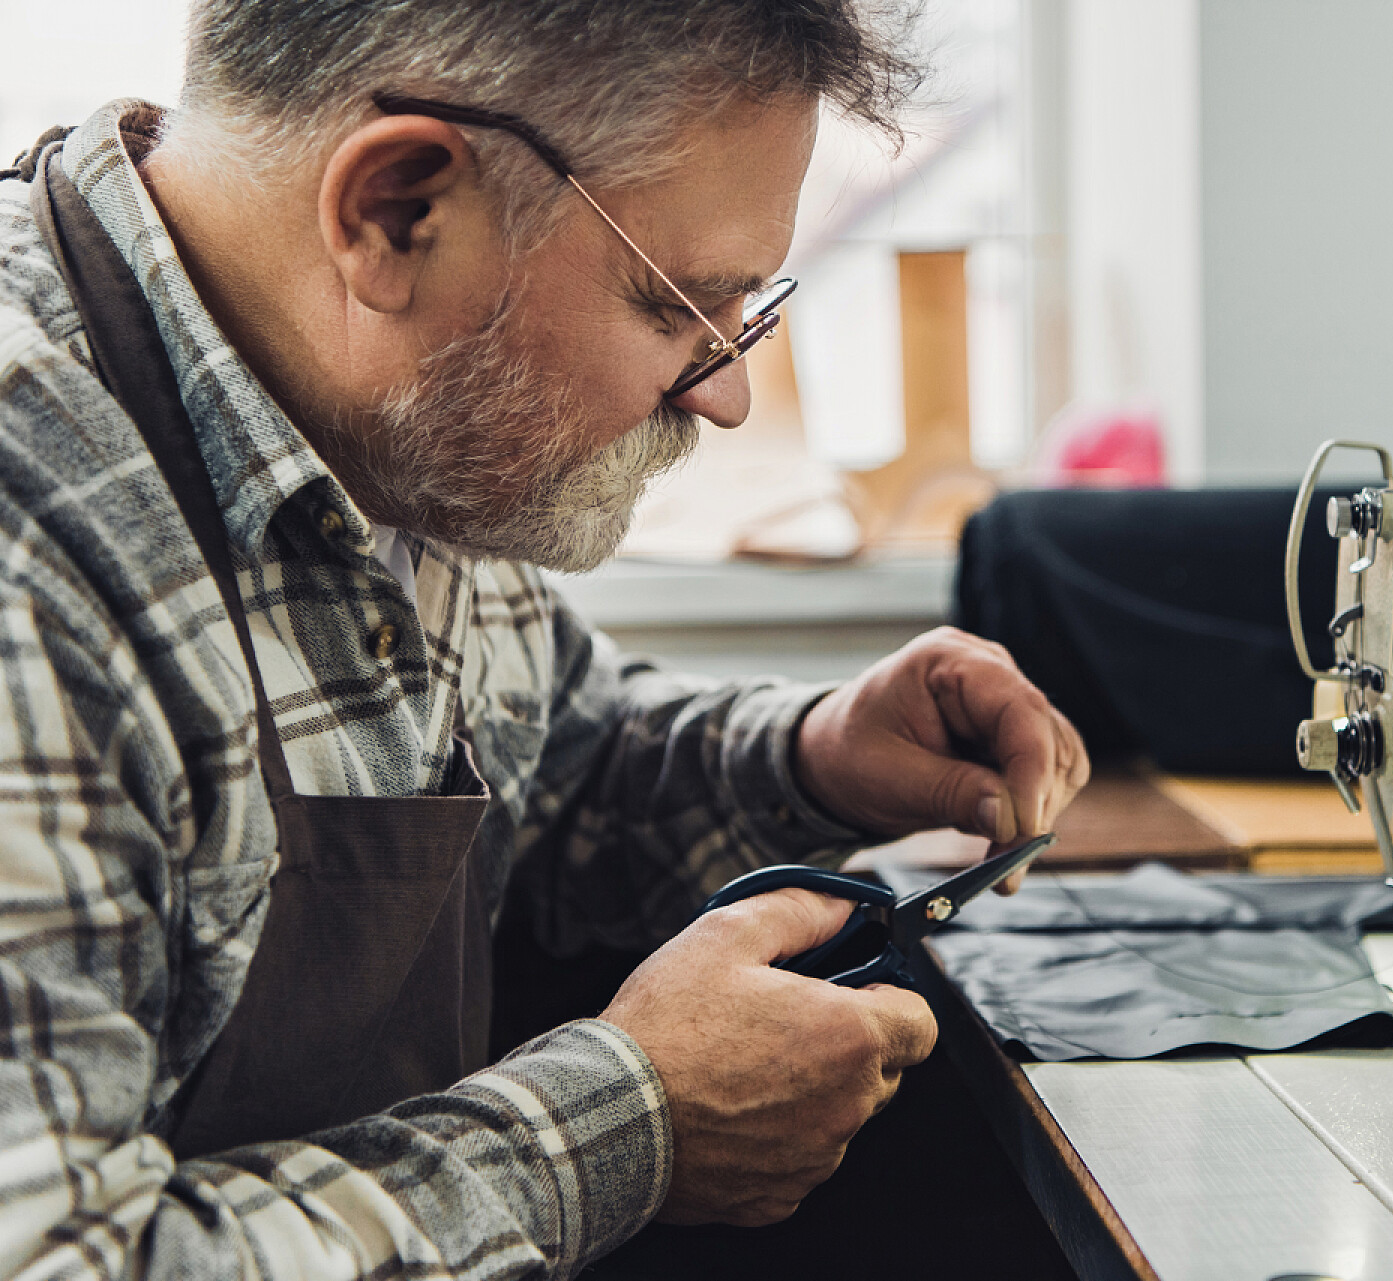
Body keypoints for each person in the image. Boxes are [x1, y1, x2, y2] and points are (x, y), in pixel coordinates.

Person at [0, 2, 1088, 1276]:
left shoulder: (394, 412)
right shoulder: (36, 549)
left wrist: (808, 758)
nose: (728, 394)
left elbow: (554, 762)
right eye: (681, 305)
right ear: (399, 212)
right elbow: (61, 1257)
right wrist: (629, 1125)